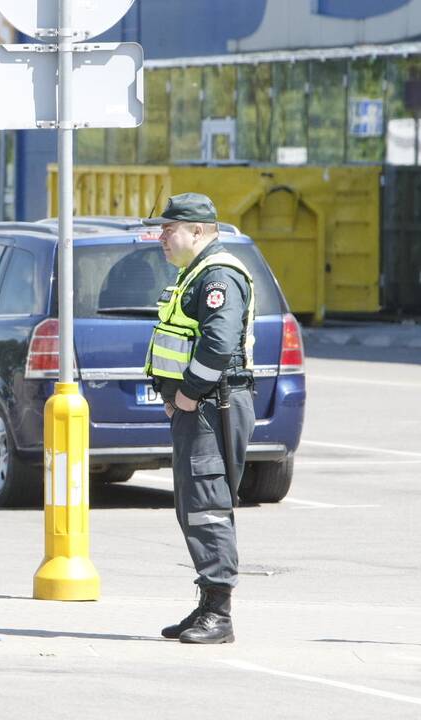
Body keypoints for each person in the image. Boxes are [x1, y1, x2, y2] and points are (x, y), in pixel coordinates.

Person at [143, 192, 256, 645]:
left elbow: (218, 342)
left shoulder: (219, 275)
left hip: (213, 404)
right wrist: (172, 394)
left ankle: (219, 615)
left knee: (208, 506)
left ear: (199, 231)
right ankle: (207, 604)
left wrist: (188, 394)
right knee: (194, 503)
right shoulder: (194, 273)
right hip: (199, 406)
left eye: (170, 230)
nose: (162, 237)